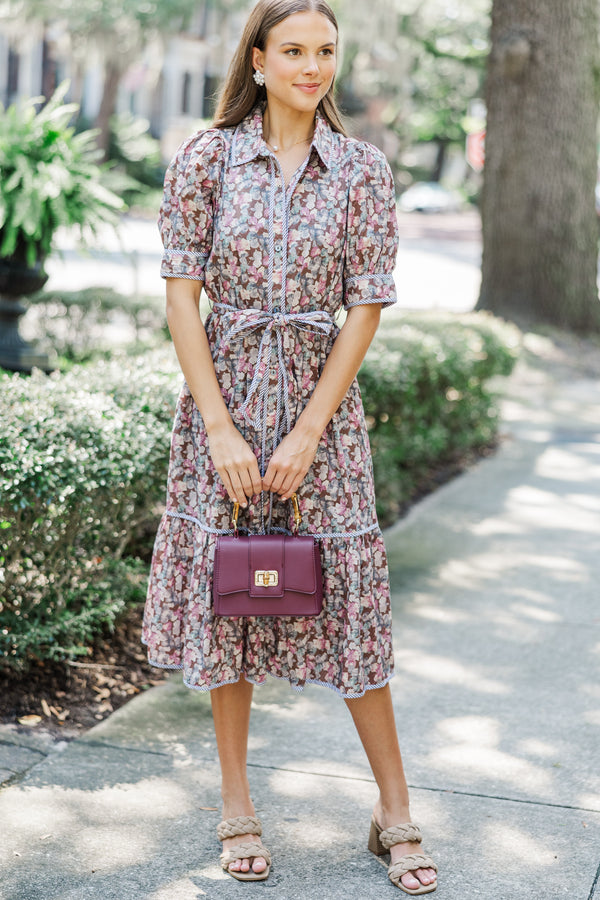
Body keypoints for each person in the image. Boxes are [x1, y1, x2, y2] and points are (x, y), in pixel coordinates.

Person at [142, 0, 438, 893]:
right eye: (296, 50)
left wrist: (311, 425)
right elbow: (180, 296)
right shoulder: (204, 160)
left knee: (349, 601)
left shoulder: (361, 170)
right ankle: (237, 804)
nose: (314, 66)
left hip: (325, 420)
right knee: (233, 592)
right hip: (220, 412)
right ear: (260, 61)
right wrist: (223, 427)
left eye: (327, 51)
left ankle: (394, 809)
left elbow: (367, 302)